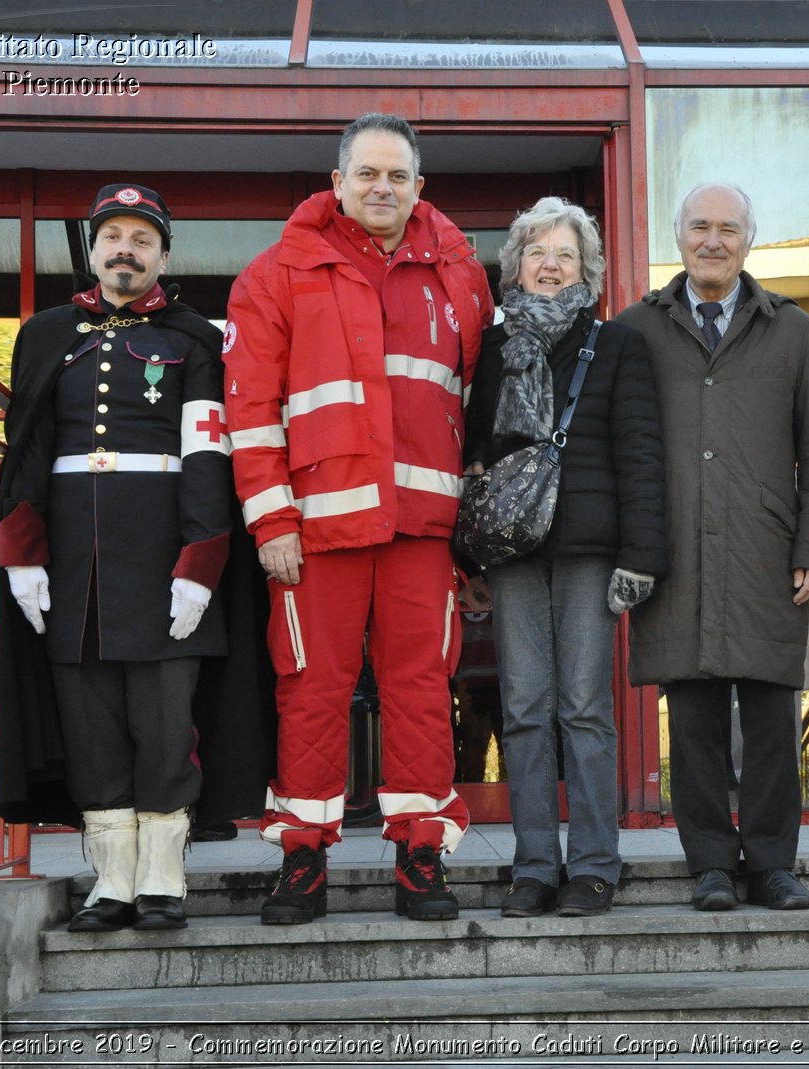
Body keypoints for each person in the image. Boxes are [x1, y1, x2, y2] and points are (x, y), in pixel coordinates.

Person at [224, 113, 493, 924]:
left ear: (420, 187)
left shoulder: (460, 275)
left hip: (422, 527)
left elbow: (474, 403)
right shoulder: (276, 274)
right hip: (317, 533)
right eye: (367, 174)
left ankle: (421, 856)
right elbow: (251, 412)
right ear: (336, 182)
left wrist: (471, 534)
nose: (382, 187)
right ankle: (302, 860)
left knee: (421, 690)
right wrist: (271, 520)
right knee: (311, 690)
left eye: (398, 175)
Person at [0, 184, 237, 932]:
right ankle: (113, 881)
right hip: (74, 566)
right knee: (89, 720)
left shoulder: (195, 339)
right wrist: (22, 553)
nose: (125, 250)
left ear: (164, 254)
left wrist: (200, 561)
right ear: (94, 250)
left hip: (163, 553)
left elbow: (206, 452)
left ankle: (164, 876)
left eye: (141, 238)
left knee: (166, 720)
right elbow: (27, 449)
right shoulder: (45, 333)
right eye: (113, 237)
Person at [615, 182, 809, 912]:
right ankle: (709, 862)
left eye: (729, 229)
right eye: (700, 227)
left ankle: (773, 862)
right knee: (695, 715)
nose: (714, 240)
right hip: (674, 551)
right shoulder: (636, 329)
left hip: (766, 553)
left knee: (773, 717)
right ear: (678, 236)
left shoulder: (793, 329)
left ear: (749, 239)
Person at [462, 197, 666, 918]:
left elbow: (642, 453)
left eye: (566, 255)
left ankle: (593, 865)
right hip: (514, 550)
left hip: (589, 550)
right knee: (522, 708)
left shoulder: (616, 345)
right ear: (515, 265)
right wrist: (471, 557)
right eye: (538, 253)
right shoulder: (492, 349)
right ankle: (534, 864)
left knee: (583, 707)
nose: (550, 266)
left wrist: (641, 554)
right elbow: (475, 455)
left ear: (588, 271)